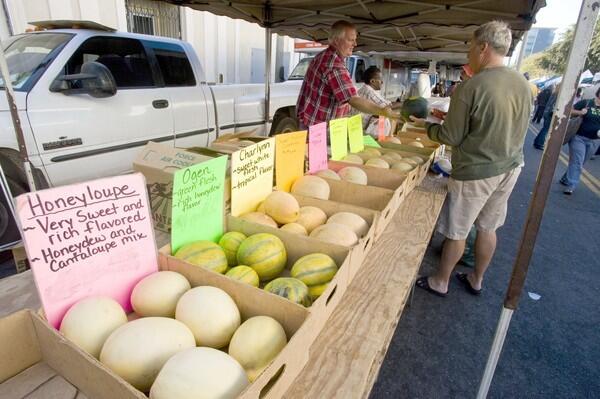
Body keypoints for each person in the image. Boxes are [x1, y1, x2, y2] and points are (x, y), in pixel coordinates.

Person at [409, 20, 532, 297]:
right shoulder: (522, 83)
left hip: (477, 170)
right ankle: (476, 278)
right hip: (511, 166)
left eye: (470, 48)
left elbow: (450, 137)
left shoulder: (471, 86)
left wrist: (426, 126)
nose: (468, 55)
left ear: (483, 48)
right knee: (489, 226)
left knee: (458, 230)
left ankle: (441, 281)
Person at [296, 20, 400, 128]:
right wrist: (382, 111)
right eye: (351, 40)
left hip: (310, 121)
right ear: (336, 41)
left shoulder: (324, 56)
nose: (355, 44)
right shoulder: (333, 64)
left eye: (355, 40)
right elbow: (353, 99)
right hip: (318, 127)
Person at [559, 87, 600, 194]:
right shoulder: (587, 102)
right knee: (577, 162)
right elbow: (569, 111)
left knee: (581, 162)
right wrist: (580, 112)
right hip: (579, 138)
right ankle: (571, 185)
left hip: (595, 141)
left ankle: (565, 178)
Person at [353, 66, 401, 136]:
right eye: (380, 79)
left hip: (356, 129)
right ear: (372, 81)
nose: (382, 82)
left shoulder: (362, 90)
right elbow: (387, 106)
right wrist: (404, 103)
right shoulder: (370, 92)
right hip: (363, 132)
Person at [533, 84, 559, 150]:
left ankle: (537, 142)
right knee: (546, 129)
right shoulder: (557, 95)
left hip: (546, 112)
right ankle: (539, 143)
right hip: (550, 114)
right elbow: (553, 106)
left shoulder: (554, 93)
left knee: (544, 128)